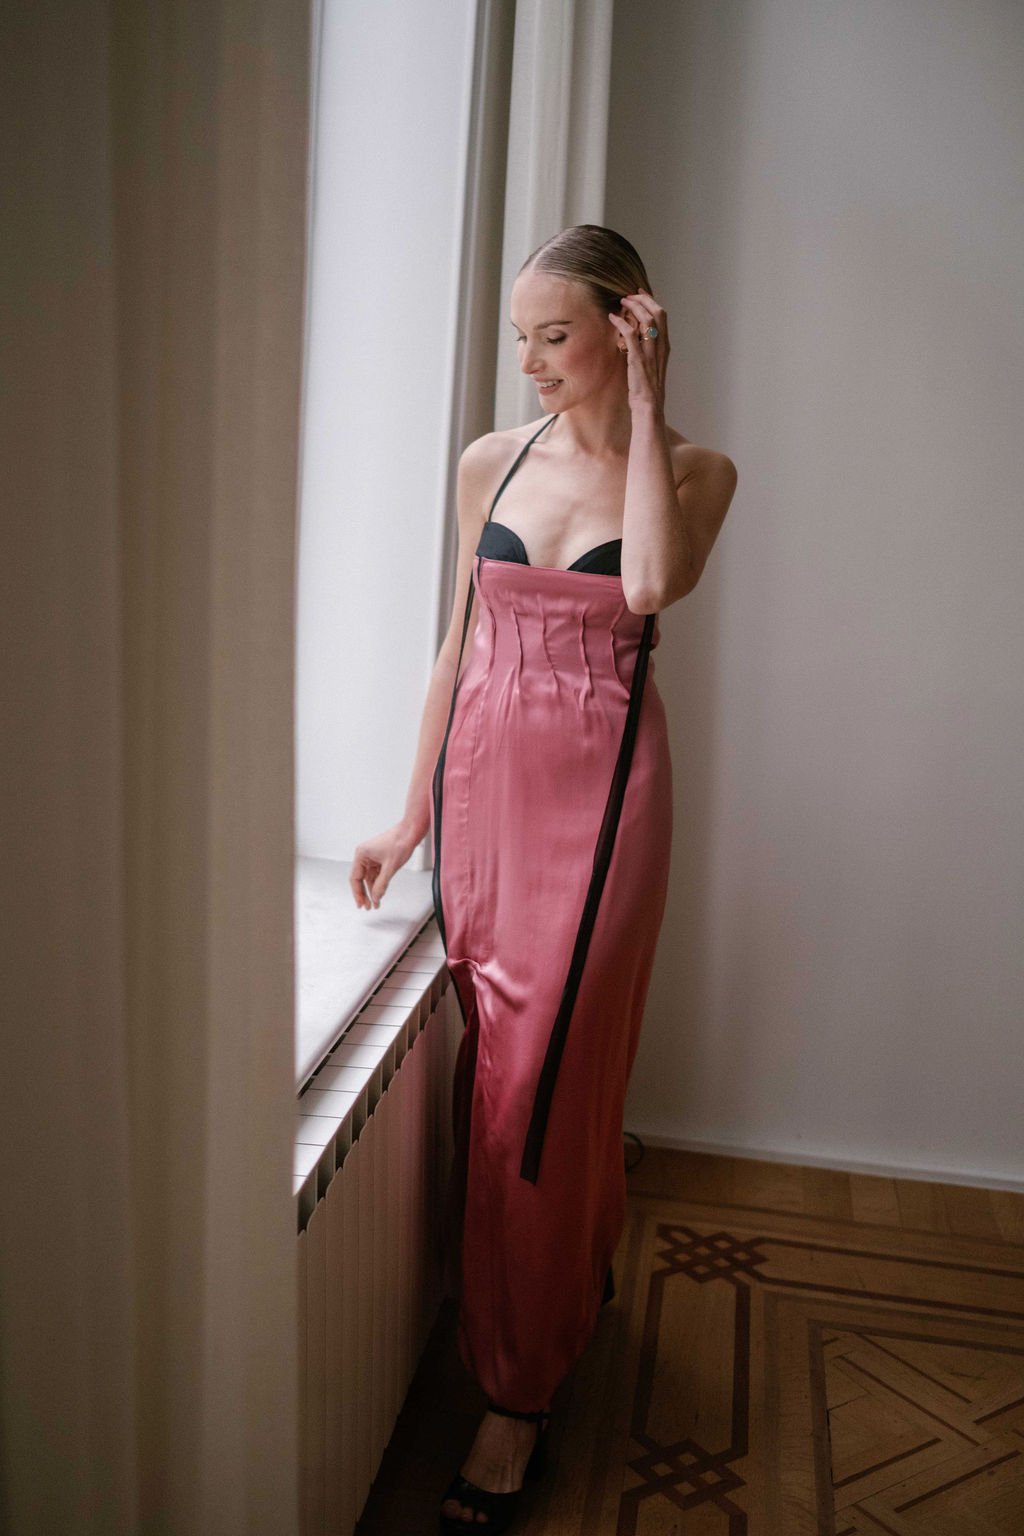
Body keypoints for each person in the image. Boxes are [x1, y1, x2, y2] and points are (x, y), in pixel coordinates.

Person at [350, 225, 736, 1533]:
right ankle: (580, 1267)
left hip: (607, 800)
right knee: (514, 1082)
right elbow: (456, 651)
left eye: (554, 337)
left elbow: (652, 580)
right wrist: (409, 820)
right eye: (517, 337)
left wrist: (651, 401)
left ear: (628, 327)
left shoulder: (693, 470)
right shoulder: (484, 464)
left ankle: (516, 1404)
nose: (527, 363)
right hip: (487, 798)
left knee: (551, 1084)